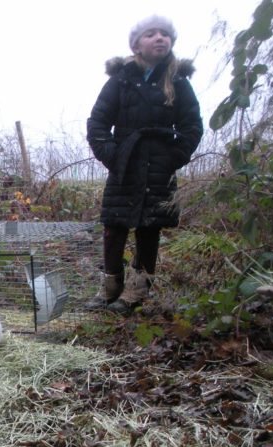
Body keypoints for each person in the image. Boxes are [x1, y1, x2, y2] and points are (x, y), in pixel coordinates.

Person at [86, 15, 203, 314]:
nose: (160, 38)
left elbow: (192, 127)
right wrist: (113, 156)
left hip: (159, 170)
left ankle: (136, 292)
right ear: (137, 43)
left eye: (165, 34)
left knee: (150, 229)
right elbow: (98, 123)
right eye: (151, 34)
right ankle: (110, 287)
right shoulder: (120, 80)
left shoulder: (177, 82)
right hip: (124, 166)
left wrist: (173, 158)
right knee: (114, 227)